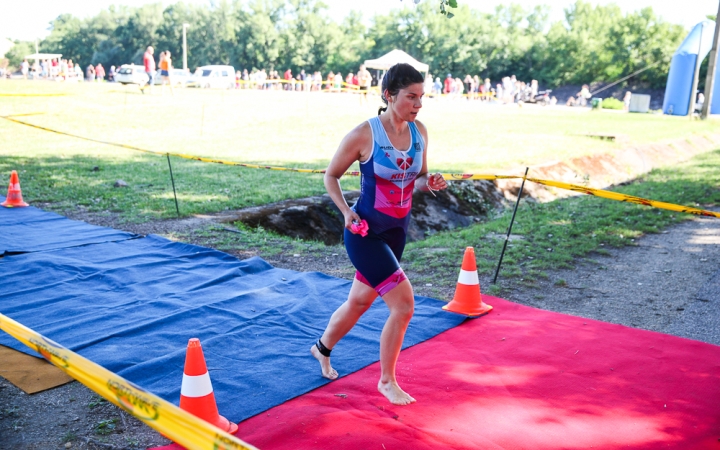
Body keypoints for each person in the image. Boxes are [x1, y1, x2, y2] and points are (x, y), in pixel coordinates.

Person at [312, 63, 448, 406]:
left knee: (359, 301)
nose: (418, 105)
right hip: (365, 232)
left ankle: (321, 348)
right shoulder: (364, 134)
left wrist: (429, 182)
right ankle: (387, 381)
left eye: (422, 97)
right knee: (403, 305)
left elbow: (419, 177)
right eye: (411, 97)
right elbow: (331, 176)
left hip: (397, 233)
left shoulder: (421, 132)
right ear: (389, 95)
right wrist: (346, 212)